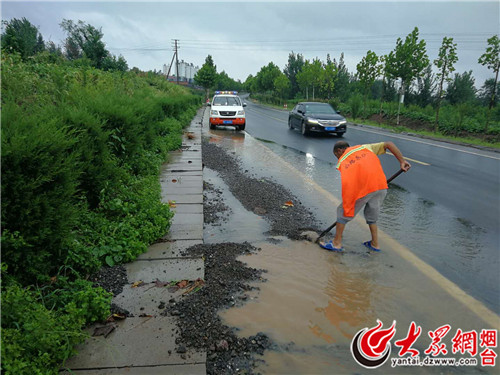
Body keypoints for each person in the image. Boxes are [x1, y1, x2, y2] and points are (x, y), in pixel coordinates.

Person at [320, 141, 411, 252]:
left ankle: (336, 243)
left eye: (336, 155)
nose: (338, 158)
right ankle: (375, 244)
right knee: (372, 216)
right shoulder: (364, 148)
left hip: (364, 189)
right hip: (381, 186)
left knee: (342, 211)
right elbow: (389, 144)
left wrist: (348, 203)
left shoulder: (343, 160)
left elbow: (348, 183)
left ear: (339, 151)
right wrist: (402, 161)